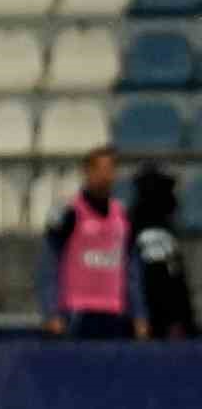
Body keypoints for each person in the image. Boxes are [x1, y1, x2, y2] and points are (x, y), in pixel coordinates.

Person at [38, 146, 149, 341]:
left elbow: (132, 268)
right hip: (77, 312)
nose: (105, 176)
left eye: (110, 169)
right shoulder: (69, 213)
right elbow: (49, 264)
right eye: (99, 169)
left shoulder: (122, 215)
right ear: (87, 172)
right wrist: (51, 311)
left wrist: (139, 314)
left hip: (114, 311)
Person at [129, 163, 197, 340]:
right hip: (144, 321)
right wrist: (140, 315)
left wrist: (184, 318)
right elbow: (133, 276)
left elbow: (177, 277)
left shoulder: (170, 228)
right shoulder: (132, 224)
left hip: (172, 321)